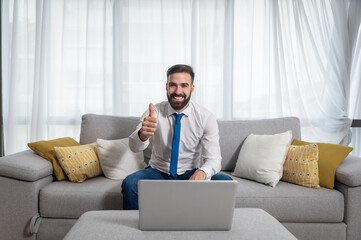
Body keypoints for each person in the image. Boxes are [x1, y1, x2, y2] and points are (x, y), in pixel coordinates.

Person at [122, 64, 232, 210]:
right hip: (158, 172)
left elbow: (214, 159)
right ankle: (135, 230)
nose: (178, 91)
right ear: (166, 87)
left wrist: (202, 173)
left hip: (190, 172)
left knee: (226, 183)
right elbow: (134, 147)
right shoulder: (154, 112)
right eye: (173, 85)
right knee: (130, 184)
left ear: (192, 88)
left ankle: (208, 227)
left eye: (184, 86)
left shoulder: (205, 117)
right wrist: (142, 135)